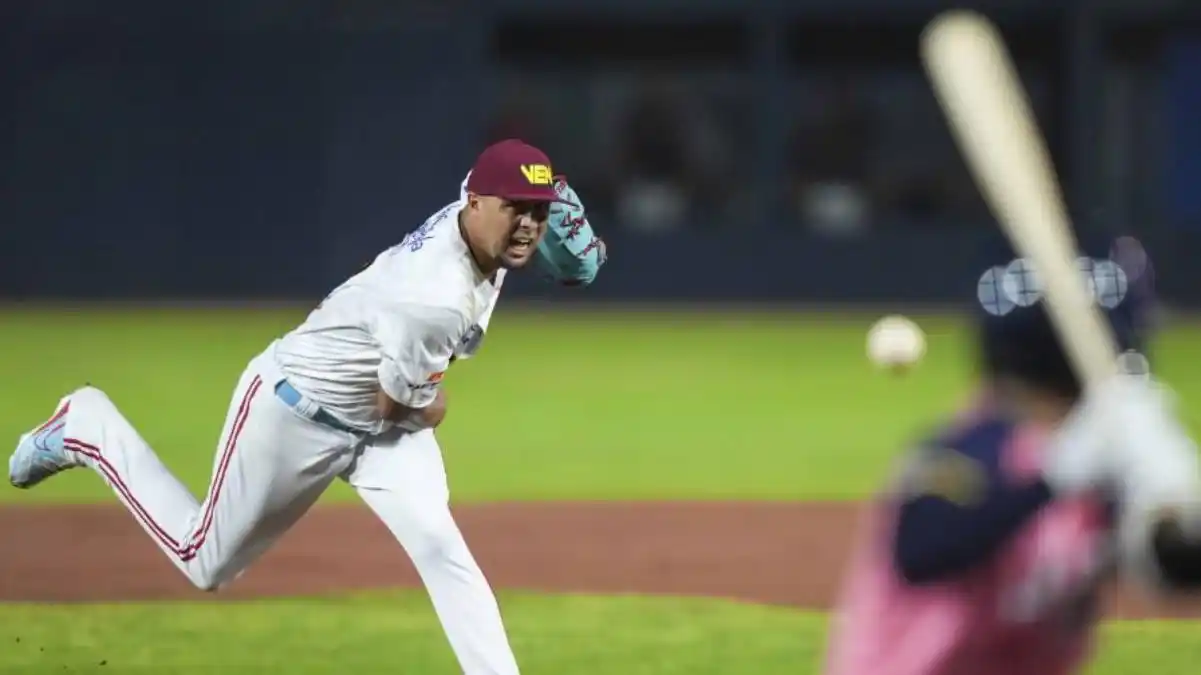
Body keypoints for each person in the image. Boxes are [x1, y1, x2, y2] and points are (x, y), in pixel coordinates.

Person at [8, 138, 604, 675]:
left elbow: (519, 203)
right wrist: (435, 409)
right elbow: (399, 407)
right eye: (515, 208)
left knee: (442, 548)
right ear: (474, 203)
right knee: (204, 562)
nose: (529, 224)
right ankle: (87, 425)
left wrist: (553, 219)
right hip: (299, 411)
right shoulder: (434, 299)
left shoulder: (480, 222)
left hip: (378, 430)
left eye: (539, 210)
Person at [823, 241, 1201, 675]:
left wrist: (1172, 497)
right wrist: (1057, 471)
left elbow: (1173, 572)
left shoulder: (1102, 466)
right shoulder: (973, 449)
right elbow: (924, 548)